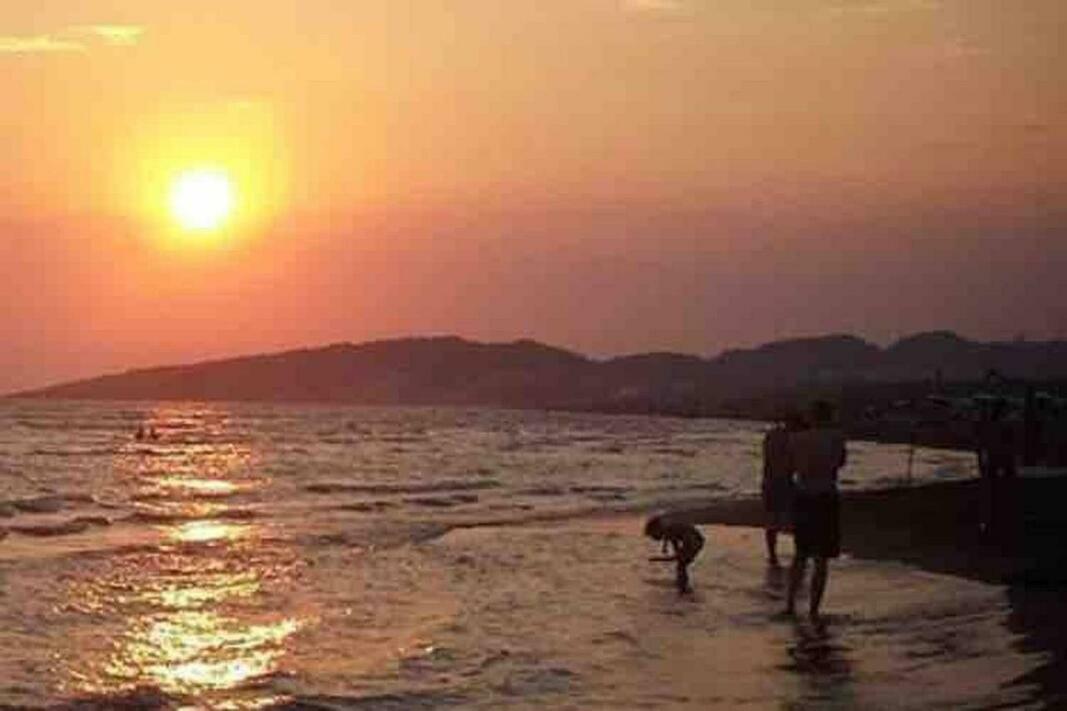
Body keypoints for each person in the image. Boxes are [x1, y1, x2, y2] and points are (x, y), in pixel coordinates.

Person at [785, 400, 847, 624]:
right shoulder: (836, 438)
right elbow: (840, 463)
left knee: (800, 554)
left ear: (811, 416)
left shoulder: (796, 439)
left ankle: (790, 604)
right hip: (826, 496)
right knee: (822, 559)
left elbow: (791, 466)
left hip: (804, 495)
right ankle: (813, 609)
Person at [762, 409, 804, 567]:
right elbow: (794, 463)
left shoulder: (772, 435)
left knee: (772, 520)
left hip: (770, 480)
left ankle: (772, 554)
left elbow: (769, 459)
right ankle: (798, 553)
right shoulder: (792, 439)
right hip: (784, 481)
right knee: (794, 519)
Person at [645, 514, 705, 594]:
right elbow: (671, 541)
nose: (653, 537)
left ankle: (683, 587)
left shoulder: (669, 529)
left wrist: (676, 554)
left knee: (681, 565)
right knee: (681, 564)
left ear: (657, 529)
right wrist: (666, 549)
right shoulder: (668, 528)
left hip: (693, 541)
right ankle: (683, 584)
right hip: (695, 540)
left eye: (653, 534)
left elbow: (675, 544)